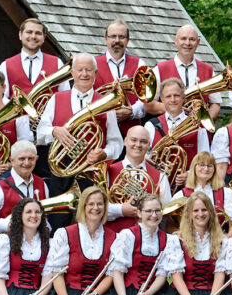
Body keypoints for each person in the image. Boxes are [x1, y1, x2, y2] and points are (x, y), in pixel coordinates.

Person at [36, 52, 123, 199]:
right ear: (72, 73)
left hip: (91, 171)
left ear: (95, 73)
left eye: (88, 70)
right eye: (80, 70)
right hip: (61, 169)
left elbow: (116, 142)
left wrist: (104, 153)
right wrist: (55, 131)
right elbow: (40, 134)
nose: (84, 74)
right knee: (58, 219)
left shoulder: (106, 103)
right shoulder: (56, 99)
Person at [146, 77, 211, 189]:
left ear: (183, 97)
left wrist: (190, 174)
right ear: (162, 99)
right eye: (168, 96)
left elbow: (205, 159)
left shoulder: (198, 127)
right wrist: (145, 158)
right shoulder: (151, 126)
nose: (173, 100)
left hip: (190, 187)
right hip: (158, 186)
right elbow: (143, 156)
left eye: (176, 95)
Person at [105, 126, 173, 233]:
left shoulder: (161, 177)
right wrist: (121, 210)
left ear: (149, 145)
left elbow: (166, 214)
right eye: (134, 140)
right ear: (125, 141)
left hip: (147, 240)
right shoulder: (107, 172)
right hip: (114, 239)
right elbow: (97, 209)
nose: (138, 145)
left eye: (143, 141)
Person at [146, 25, 222, 120]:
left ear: (198, 42)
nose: (187, 43)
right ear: (176, 40)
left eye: (192, 39)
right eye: (183, 38)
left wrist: (205, 122)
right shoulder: (159, 69)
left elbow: (216, 103)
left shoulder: (209, 70)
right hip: (169, 130)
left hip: (199, 131)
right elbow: (148, 105)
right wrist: (174, 109)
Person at [94, 19, 147, 137]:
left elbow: (146, 99)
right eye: (113, 36)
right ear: (105, 39)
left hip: (131, 133)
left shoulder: (139, 64)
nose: (117, 40)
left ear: (128, 40)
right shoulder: (93, 64)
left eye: (121, 37)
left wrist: (131, 111)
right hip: (102, 131)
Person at [0, 141, 47, 234]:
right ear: (12, 161)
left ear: (36, 159)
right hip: (7, 244)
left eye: (31, 158)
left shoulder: (42, 184)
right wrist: (7, 225)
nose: (26, 163)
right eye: (22, 159)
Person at [0, 18, 69, 96]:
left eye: (38, 33)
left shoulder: (57, 63)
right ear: (20, 35)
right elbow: (2, 98)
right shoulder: (5, 65)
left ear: (43, 38)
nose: (33, 36)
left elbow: (65, 96)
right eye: (29, 32)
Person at [180, 152, 232, 236]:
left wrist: (226, 241)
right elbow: (170, 224)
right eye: (202, 165)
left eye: (210, 165)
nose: (206, 169)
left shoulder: (226, 193)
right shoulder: (181, 194)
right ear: (194, 168)